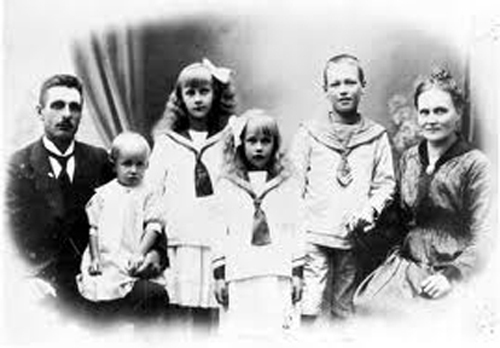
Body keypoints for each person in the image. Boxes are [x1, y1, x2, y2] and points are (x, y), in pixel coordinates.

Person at [5, 74, 165, 319]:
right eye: (57, 105)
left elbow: (144, 200)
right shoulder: (16, 166)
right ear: (40, 112)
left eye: (74, 107)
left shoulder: (100, 160)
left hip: (103, 278)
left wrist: (154, 253)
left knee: (154, 295)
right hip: (48, 283)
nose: (67, 114)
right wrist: (24, 278)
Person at [353, 68, 492, 315]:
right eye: (424, 111)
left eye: (441, 110)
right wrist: (370, 218)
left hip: (448, 273)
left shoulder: (475, 165)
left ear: (458, 112)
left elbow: (487, 236)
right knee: (366, 305)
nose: (431, 119)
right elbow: (399, 216)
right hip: (407, 266)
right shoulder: (409, 158)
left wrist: (452, 276)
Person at [289, 54, 396, 322]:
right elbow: (292, 185)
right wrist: (297, 229)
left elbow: (385, 184)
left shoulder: (376, 136)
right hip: (314, 233)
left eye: (350, 82)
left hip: (353, 235)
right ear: (325, 90)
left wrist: (368, 211)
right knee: (309, 301)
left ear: (363, 85)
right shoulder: (309, 132)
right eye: (335, 84)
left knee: (344, 305)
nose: (343, 89)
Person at [146, 58, 237, 330]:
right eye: (191, 92)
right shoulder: (166, 143)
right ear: (180, 99)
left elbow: (235, 188)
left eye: (204, 92)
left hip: (214, 241)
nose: (198, 99)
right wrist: (155, 236)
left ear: (215, 95)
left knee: (211, 311)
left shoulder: (227, 140)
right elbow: (153, 192)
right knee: (178, 309)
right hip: (179, 240)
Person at [212, 110, 305, 336]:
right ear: (240, 143)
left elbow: (297, 228)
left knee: (276, 331)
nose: (259, 147)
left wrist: (297, 273)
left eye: (266, 141)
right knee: (241, 332)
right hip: (239, 273)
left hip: (277, 272)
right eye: (252, 141)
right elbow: (218, 231)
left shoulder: (288, 183)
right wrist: (219, 276)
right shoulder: (227, 184)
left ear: (275, 144)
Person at [77, 132, 169, 324]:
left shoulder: (149, 193)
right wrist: (95, 258)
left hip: (130, 254)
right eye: (127, 164)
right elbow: (93, 228)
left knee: (137, 290)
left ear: (147, 165)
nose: (134, 170)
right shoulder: (103, 195)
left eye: (140, 164)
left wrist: (140, 252)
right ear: (114, 164)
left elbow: (154, 226)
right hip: (104, 256)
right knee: (99, 289)